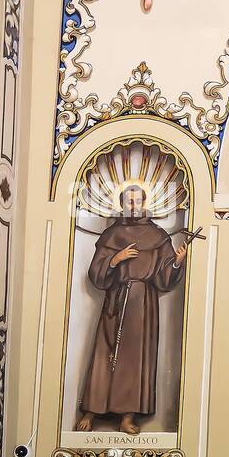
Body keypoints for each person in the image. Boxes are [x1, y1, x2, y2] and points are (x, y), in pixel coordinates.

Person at [75, 184, 187, 435]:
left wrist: (177, 263)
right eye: (129, 201)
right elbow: (96, 273)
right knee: (105, 354)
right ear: (123, 204)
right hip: (116, 300)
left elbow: (164, 277)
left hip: (144, 305)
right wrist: (116, 259)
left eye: (138, 201)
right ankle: (91, 411)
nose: (134, 206)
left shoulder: (158, 237)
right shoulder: (112, 235)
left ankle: (127, 416)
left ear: (145, 203)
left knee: (136, 361)